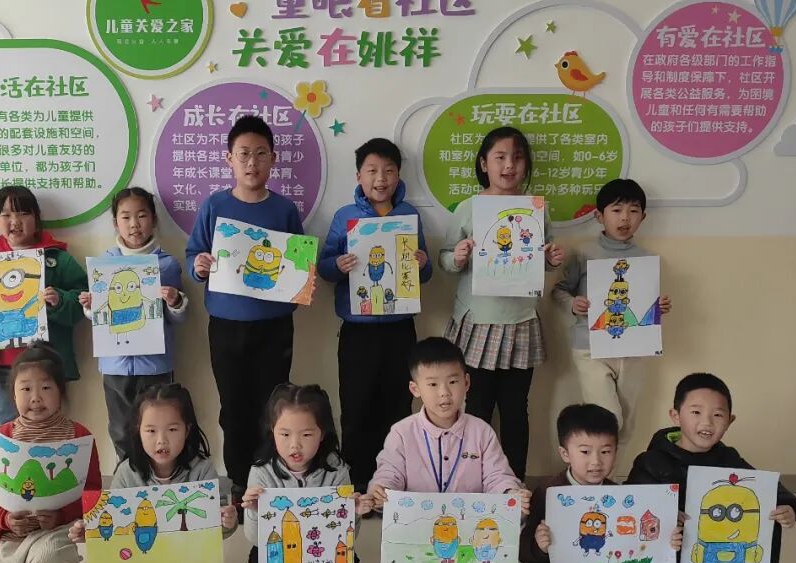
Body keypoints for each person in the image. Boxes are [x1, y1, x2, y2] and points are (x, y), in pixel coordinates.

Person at [627, 373, 796, 563]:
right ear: (675, 415)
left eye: (718, 415)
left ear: (730, 420)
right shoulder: (651, 461)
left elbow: (767, 489)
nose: (707, 422)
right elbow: (633, 510)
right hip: (671, 557)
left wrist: (787, 506)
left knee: (766, 512)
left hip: (725, 552)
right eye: (696, 412)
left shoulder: (729, 458)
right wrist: (665, 516)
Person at [185, 115, 305, 502]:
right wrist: (199, 265)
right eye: (243, 154)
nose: (252, 162)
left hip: (275, 326)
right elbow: (193, 253)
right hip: (226, 325)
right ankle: (239, 482)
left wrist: (303, 282)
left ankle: (269, 478)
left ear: (273, 159)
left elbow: (299, 265)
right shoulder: (214, 205)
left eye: (260, 154)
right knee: (233, 407)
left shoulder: (285, 210)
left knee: (274, 406)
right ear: (229, 159)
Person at [366, 337, 528, 563]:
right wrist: (382, 490)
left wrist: (509, 493)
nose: (444, 393)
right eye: (432, 384)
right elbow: (390, 471)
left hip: (468, 538)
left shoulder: (481, 431)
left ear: (466, 383)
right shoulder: (402, 432)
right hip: (420, 538)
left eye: (452, 382)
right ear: (415, 389)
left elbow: (496, 475)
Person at [438, 127, 565, 479]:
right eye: (500, 157)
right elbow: (444, 259)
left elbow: (543, 258)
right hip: (478, 321)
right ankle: (472, 482)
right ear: (484, 164)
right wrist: (457, 257)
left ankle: (513, 485)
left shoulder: (536, 209)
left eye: (518, 157)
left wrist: (552, 259)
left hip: (521, 321)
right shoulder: (468, 208)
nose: (509, 165)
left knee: (515, 411)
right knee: (476, 408)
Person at [317, 138, 433, 492]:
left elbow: (425, 273)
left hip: (400, 328)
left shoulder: (409, 215)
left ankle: (392, 485)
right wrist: (337, 265)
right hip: (358, 331)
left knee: (397, 406)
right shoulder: (345, 217)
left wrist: (422, 264)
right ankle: (356, 485)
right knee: (356, 407)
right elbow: (323, 267)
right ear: (359, 176)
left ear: (398, 175)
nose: (380, 179)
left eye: (389, 171)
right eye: (372, 171)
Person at [520, 403, 684, 563]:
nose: (596, 461)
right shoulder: (548, 492)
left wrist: (665, 541)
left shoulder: (621, 497)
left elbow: (641, 542)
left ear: (616, 452)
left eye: (605, 451)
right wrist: (539, 546)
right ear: (565, 453)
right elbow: (524, 551)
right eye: (585, 452)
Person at [69, 383, 237, 563]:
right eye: (151, 431)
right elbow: (115, 524)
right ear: (138, 431)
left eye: (172, 429)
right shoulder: (126, 472)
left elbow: (215, 528)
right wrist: (91, 533)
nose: (161, 441)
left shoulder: (202, 469)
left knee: (201, 543)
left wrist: (227, 522)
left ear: (187, 430)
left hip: (189, 547)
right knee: (132, 544)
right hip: (143, 543)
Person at [0, 345, 102, 563]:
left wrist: (61, 516)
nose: (35, 398)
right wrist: (5, 519)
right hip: (12, 534)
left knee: (48, 559)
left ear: (61, 392)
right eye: (25, 389)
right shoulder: (3, 437)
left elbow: (93, 491)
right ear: (13, 394)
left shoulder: (78, 436)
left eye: (45, 387)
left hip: (57, 531)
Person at [551, 179, 672, 445]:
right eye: (617, 210)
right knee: (607, 417)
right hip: (591, 348)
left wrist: (657, 308)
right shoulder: (584, 253)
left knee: (626, 424)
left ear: (643, 217)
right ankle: (590, 468)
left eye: (633, 210)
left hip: (634, 350)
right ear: (599, 216)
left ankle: (611, 470)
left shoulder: (646, 259)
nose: (625, 218)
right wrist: (573, 304)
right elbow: (559, 291)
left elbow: (641, 307)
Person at [241, 383, 372, 563]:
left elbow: (347, 537)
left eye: (306, 435)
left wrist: (353, 513)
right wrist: (253, 511)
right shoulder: (261, 473)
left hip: (320, 550)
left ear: (322, 433)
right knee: (259, 559)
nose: (295, 445)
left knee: (350, 561)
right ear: (272, 431)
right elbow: (254, 538)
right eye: (285, 434)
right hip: (280, 547)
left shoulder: (337, 471)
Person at [0, 186, 88, 427]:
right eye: (6, 214)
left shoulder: (57, 258)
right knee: (6, 431)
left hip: (45, 364)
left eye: (23, 213)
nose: (15, 221)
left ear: (36, 218)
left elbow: (83, 299)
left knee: (47, 429)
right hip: (1, 366)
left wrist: (59, 300)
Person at [78, 187, 188, 464]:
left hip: (155, 364)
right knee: (120, 427)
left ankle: (160, 476)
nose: (134, 224)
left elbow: (177, 318)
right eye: (126, 217)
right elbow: (100, 318)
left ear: (153, 219)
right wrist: (90, 306)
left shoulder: (167, 265)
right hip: (115, 364)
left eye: (141, 215)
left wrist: (175, 301)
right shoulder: (105, 265)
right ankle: (127, 477)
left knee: (158, 425)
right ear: (116, 223)